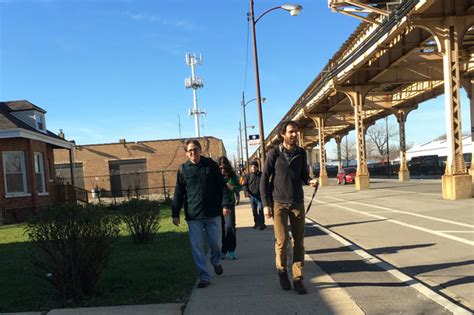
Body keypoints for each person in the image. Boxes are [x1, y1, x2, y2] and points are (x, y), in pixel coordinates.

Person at [260, 120, 318, 295]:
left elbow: (303, 176)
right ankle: (282, 270)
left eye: (296, 131)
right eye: (291, 132)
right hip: (278, 203)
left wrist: (310, 181)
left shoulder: (301, 153)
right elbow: (264, 179)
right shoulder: (274, 154)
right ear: (283, 134)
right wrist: (266, 205)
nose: (294, 135)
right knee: (282, 241)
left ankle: (298, 278)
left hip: (297, 202)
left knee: (299, 242)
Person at [172, 139, 232, 289]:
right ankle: (204, 276)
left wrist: (225, 204)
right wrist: (175, 213)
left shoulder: (210, 165)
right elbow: (178, 193)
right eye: (190, 150)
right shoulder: (183, 169)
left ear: (200, 150)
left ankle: (216, 261)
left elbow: (222, 187)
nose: (193, 153)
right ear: (186, 153)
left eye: (196, 149)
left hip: (213, 213)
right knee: (197, 247)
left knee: (216, 244)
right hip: (194, 216)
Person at [218, 156, 241, 260]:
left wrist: (233, 188)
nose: (223, 170)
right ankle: (223, 249)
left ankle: (231, 250)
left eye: (225, 168)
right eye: (220, 168)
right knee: (222, 228)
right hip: (218, 204)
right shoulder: (217, 176)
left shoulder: (232, 176)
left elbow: (240, 187)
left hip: (230, 203)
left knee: (230, 227)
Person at [244, 160, 266, 230]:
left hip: (260, 196)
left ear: (257, 167)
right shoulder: (248, 176)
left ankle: (262, 224)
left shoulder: (261, 175)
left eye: (254, 166)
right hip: (252, 196)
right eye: (252, 166)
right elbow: (245, 185)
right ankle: (256, 223)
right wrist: (247, 193)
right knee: (254, 210)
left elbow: (265, 184)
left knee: (260, 209)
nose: (253, 168)